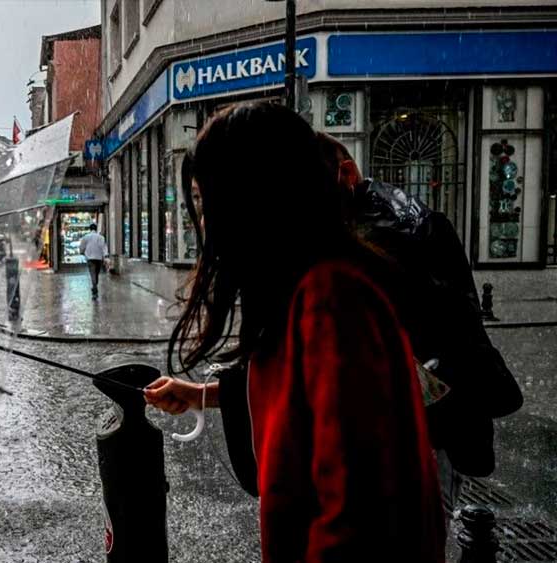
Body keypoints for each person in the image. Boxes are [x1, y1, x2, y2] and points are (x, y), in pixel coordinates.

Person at [144, 102, 444, 562]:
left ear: (254, 200)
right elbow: (299, 396)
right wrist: (203, 393)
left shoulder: (330, 300)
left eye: (208, 202)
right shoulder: (304, 292)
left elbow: (354, 516)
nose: (203, 223)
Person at [315, 133, 522, 509]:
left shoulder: (379, 233)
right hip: (428, 413)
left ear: (346, 173)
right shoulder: (395, 217)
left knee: (420, 520)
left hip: (422, 420)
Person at [78, 223, 107, 300]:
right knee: (97, 273)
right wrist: (105, 256)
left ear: (90, 229)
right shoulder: (101, 237)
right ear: (96, 229)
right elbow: (104, 247)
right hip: (99, 258)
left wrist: (82, 252)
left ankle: (94, 287)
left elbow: (81, 247)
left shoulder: (86, 237)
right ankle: (95, 286)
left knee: (92, 273)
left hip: (90, 258)